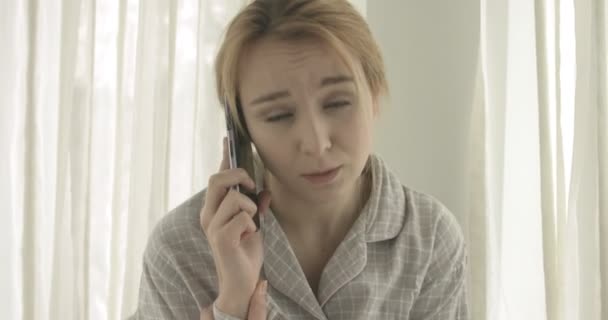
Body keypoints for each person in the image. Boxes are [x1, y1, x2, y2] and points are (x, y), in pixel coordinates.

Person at [132, 0, 469, 319]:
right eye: (279, 115)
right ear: (241, 130)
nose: (317, 143)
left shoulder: (430, 239)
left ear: (375, 94)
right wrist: (234, 303)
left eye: (337, 103)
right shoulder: (179, 253)